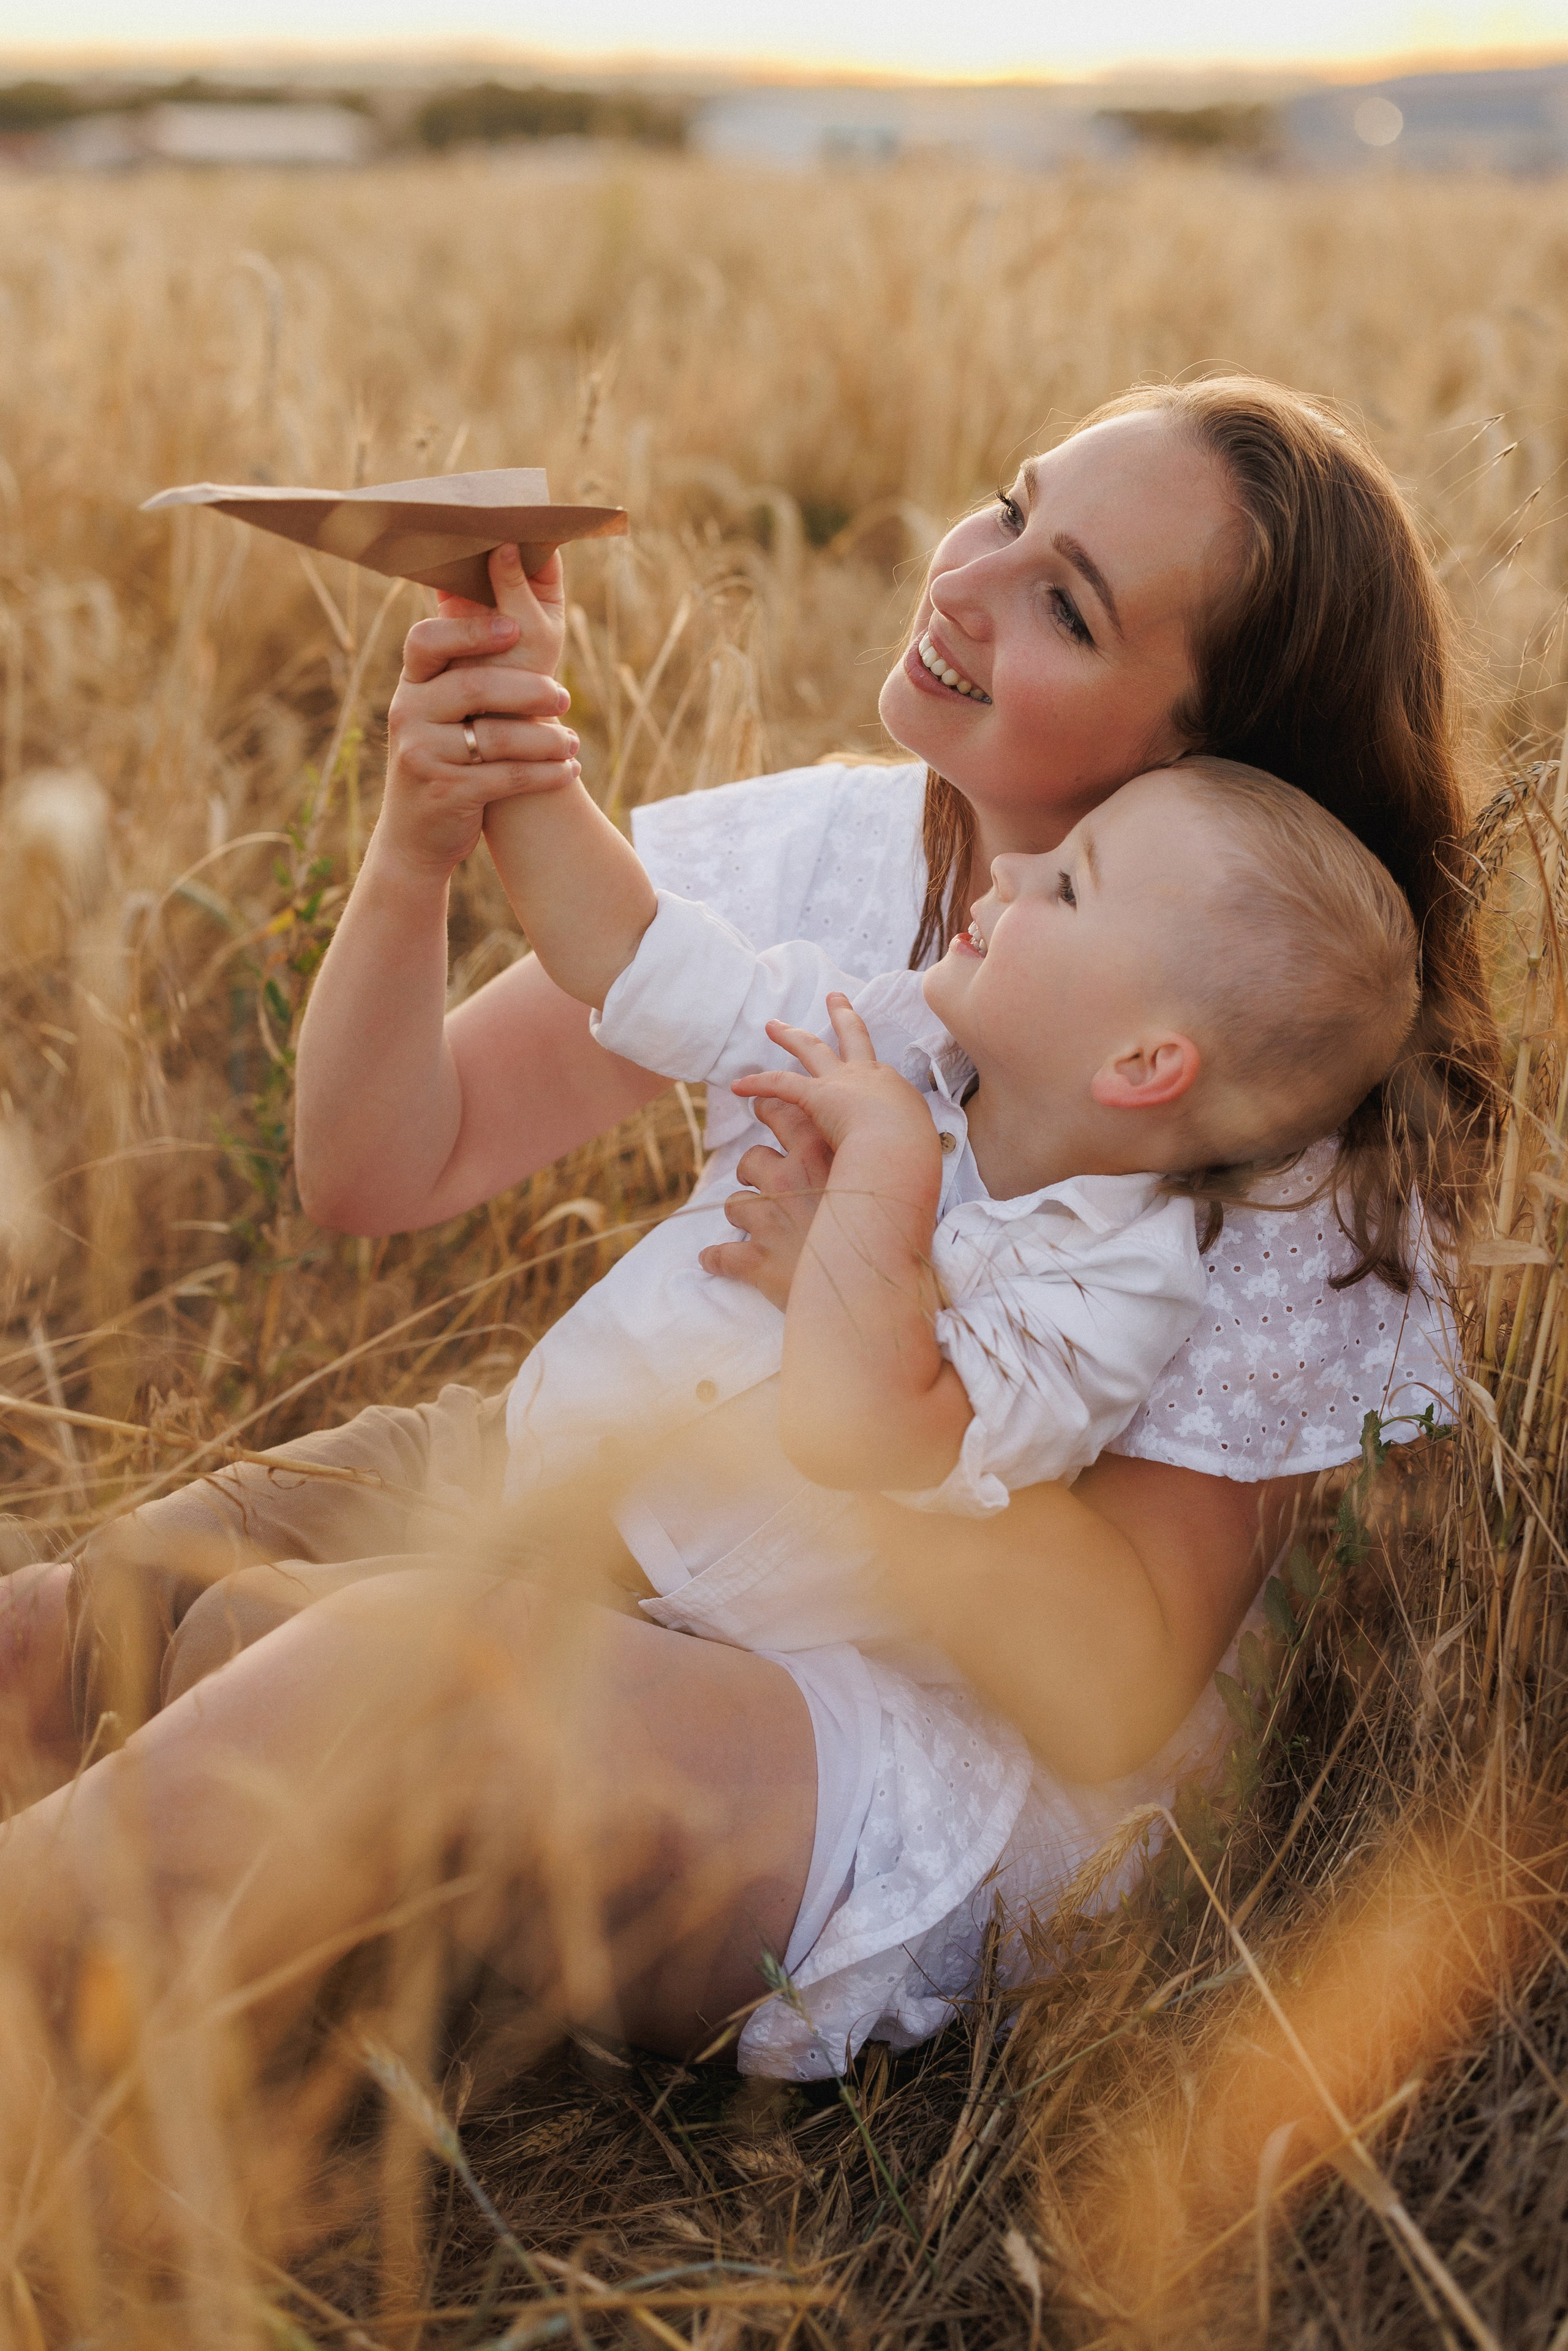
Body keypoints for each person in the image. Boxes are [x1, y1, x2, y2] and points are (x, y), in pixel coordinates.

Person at [0, 378, 1497, 2080]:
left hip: (883, 1720)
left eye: (1067, 606)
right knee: (83, 1631)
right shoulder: (837, 865)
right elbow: (381, 1166)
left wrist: (864, 1308)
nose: (966, 581)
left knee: (374, 1677)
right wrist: (426, 839)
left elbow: (1111, 1689)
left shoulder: (1272, 1127)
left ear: (1199, 752)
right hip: (616, 1470)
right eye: (1011, 510)